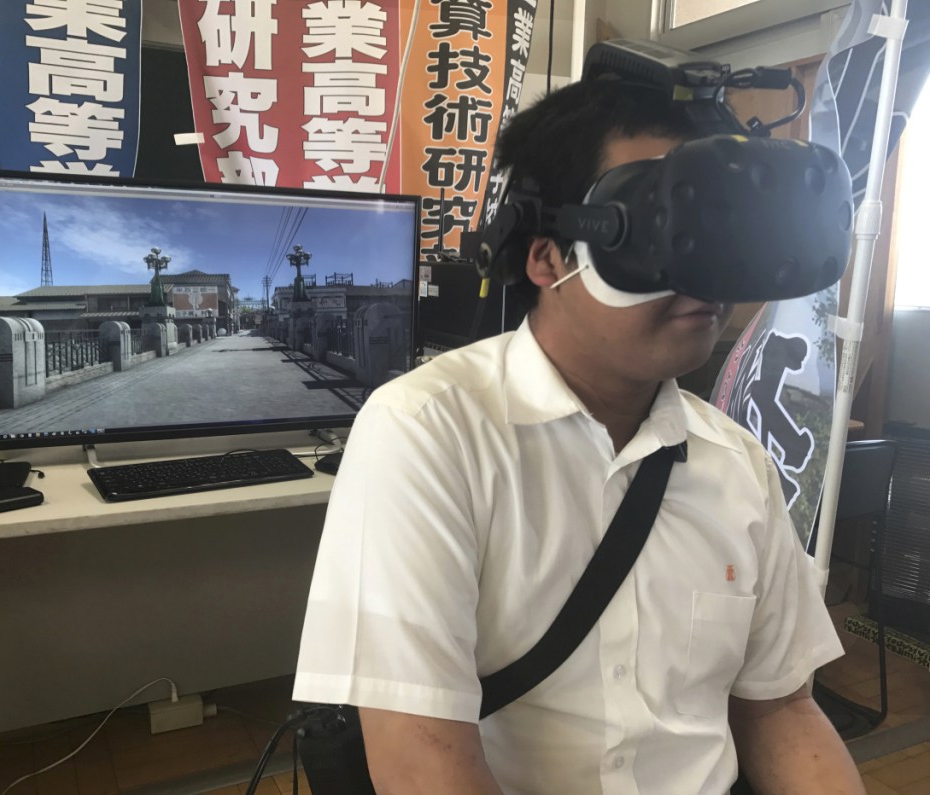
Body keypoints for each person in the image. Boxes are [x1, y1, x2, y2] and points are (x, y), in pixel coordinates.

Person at [293, 75, 863, 794]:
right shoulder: (428, 434)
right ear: (548, 256)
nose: (701, 275)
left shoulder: (737, 464)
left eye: (712, 230)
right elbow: (419, 756)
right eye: (659, 232)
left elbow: (781, 706)